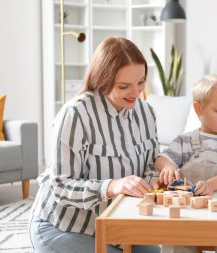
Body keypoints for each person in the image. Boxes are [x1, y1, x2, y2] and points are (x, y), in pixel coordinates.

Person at [29, 37, 161, 253]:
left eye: (141, 82)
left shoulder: (147, 113)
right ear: (104, 79)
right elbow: (60, 185)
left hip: (117, 224)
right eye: (124, 86)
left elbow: (150, 165)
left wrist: (156, 180)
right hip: (64, 226)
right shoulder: (75, 114)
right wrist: (110, 186)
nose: (136, 93)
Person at [155, 74, 217, 253]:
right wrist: (168, 167)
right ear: (199, 109)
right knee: (175, 241)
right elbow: (161, 159)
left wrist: (210, 185)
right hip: (189, 211)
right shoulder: (184, 141)